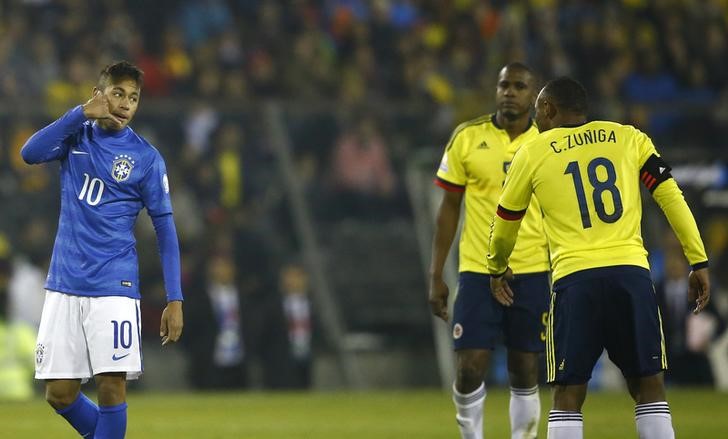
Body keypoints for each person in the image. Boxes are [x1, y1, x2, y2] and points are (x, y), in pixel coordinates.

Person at [487, 77, 710, 439]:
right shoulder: (629, 137)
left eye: (537, 110)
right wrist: (697, 260)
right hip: (631, 276)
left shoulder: (533, 151)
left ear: (548, 109)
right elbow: (671, 197)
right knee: (649, 387)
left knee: (568, 394)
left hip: (575, 281)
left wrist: (496, 267)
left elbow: (506, 219)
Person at [21, 61, 184, 439]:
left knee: (111, 386)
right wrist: (78, 114)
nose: (126, 104)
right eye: (118, 93)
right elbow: (30, 153)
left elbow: (165, 229)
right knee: (59, 393)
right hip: (64, 282)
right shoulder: (76, 136)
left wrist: (174, 297)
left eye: (134, 98)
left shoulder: (146, 158)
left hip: (114, 285)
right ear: (99, 94)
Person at [429, 62, 550, 439]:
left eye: (518, 86)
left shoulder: (548, 143)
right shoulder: (466, 137)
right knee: (469, 368)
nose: (509, 92)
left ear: (535, 95)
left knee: (525, 370)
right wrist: (436, 276)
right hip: (478, 272)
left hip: (531, 270)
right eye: (503, 85)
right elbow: (449, 209)